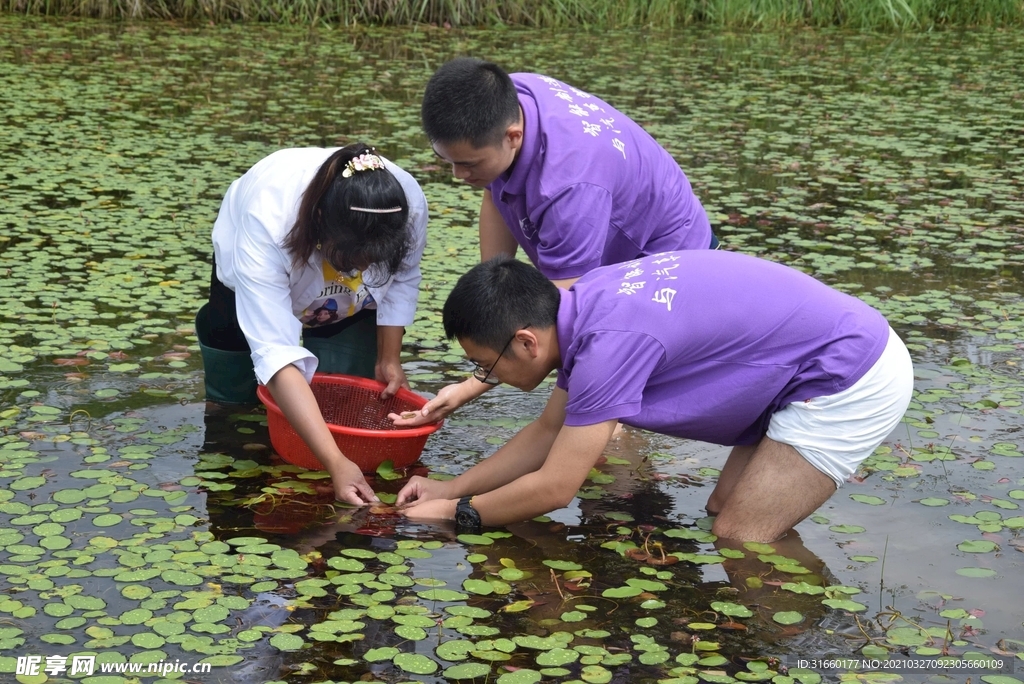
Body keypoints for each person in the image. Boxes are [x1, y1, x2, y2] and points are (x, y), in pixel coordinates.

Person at [396, 252, 914, 542]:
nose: (486, 375)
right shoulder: (585, 306)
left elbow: (555, 487)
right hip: (802, 359)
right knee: (723, 508)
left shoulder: (610, 345)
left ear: (527, 341)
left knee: (741, 538)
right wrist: (447, 487)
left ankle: (817, 651)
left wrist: (456, 513)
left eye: (486, 364)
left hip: (849, 373)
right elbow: (546, 432)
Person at [392, 57, 716, 428]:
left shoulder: (568, 190)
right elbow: (494, 189)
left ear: (512, 137)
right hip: (607, 223)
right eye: (447, 160)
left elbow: (561, 313)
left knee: (605, 408)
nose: (457, 175)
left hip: (665, 263)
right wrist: (491, 297)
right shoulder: (505, 98)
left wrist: (472, 384)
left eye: (469, 164)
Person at [195, 143, 428, 506]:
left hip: (349, 300)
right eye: (354, 258)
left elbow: (403, 276)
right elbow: (276, 353)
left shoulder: (405, 204)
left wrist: (389, 357)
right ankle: (232, 454)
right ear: (320, 221)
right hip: (257, 262)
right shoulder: (268, 216)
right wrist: (336, 463)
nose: (363, 268)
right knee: (235, 395)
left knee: (341, 390)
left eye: (374, 260)